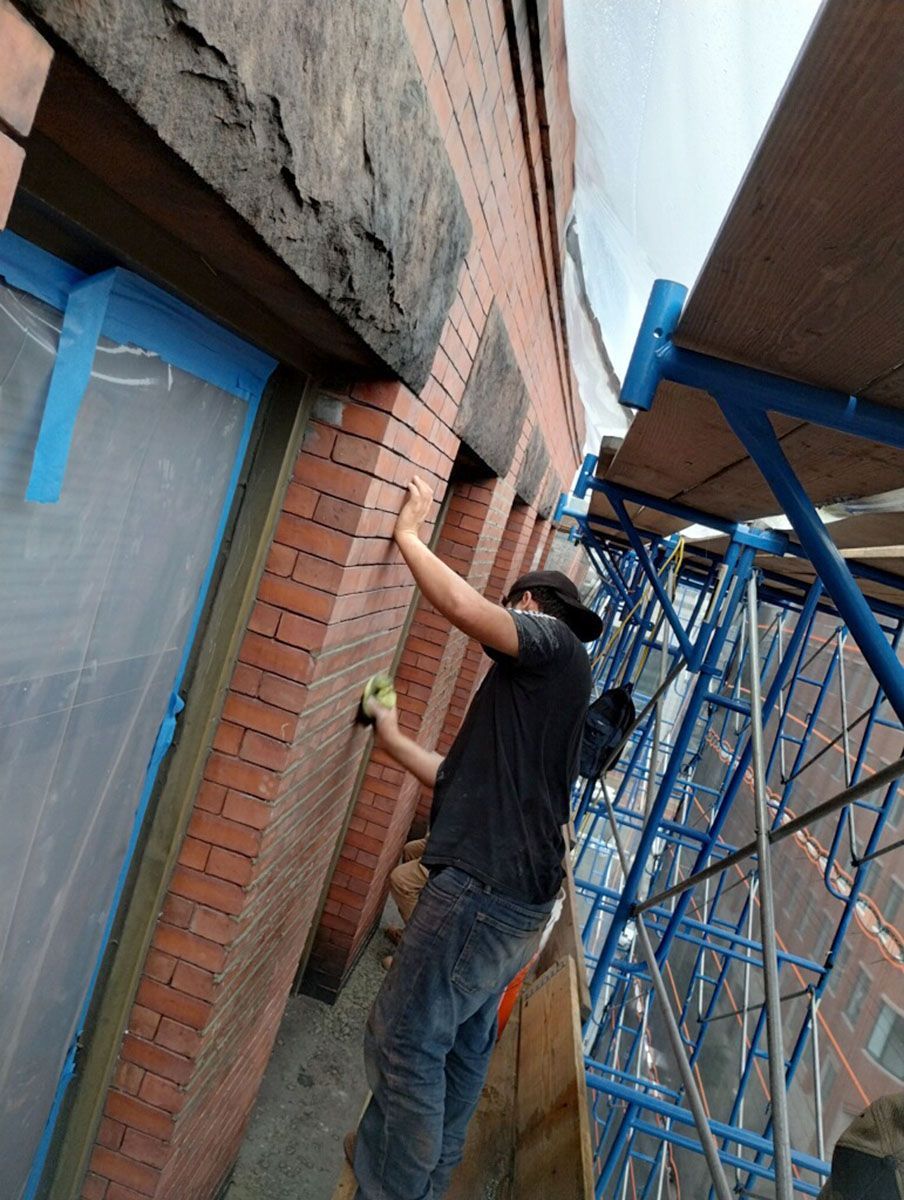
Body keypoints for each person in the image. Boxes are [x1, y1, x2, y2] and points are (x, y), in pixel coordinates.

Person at [350, 475, 602, 1200]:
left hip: (483, 897)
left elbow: (462, 607)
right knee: (459, 1048)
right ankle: (422, 1189)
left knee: (403, 1037)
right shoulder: (528, 705)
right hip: (514, 906)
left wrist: (408, 533)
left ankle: (390, 1192)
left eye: (514, 606)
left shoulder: (553, 647)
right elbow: (451, 775)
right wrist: (390, 733)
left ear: (528, 605)